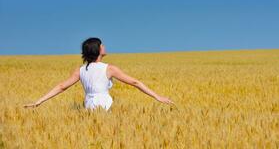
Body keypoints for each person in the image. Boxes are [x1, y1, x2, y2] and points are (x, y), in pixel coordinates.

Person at [23, 37, 175, 112]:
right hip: (105, 106)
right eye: (102, 45)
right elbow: (135, 82)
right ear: (97, 50)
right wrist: (157, 97)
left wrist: (39, 101)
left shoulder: (81, 70)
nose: (104, 46)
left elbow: (62, 86)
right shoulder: (109, 68)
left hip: (88, 106)